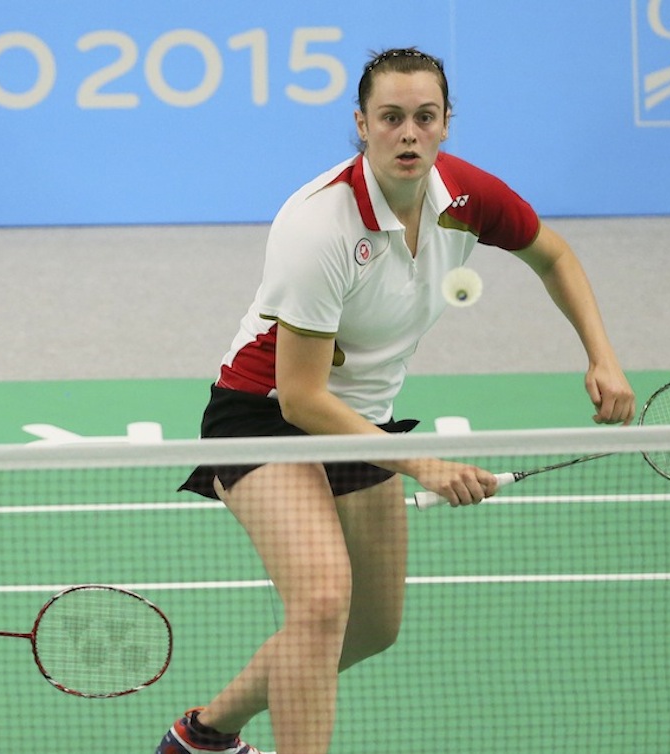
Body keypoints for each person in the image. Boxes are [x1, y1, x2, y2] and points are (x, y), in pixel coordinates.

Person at [157, 48, 635, 754]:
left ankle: (205, 733)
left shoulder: (467, 198)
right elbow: (301, 397)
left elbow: (554, 254)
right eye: (390, 118)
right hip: (264, 414)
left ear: (445, 125)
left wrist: (603, 356)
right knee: (321, 604)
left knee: (371, 627)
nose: (407, 133)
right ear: (361, 124)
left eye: (423, 117)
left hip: (363, 419)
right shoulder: (319, 225)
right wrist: (424, 464)